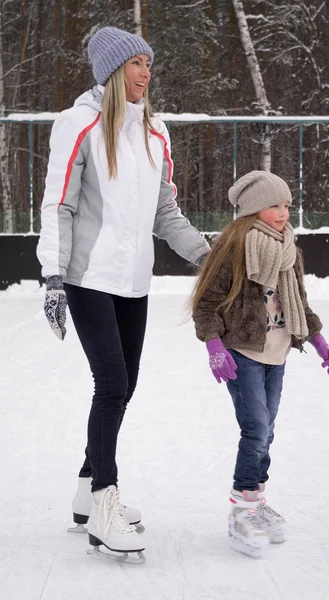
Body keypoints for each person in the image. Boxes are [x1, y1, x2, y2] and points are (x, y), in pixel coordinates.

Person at [37, 26, 209, 558]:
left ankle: (88, 488)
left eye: (148, 64)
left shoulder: (155, 133)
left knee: (125, 385)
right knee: (111, 385)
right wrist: (53, 277)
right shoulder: (78, 125)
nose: (146, 73)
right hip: (88, 277)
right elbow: (58, 203)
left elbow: (165, 212)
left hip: (134, 280)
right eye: (136, 63)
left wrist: (209, 256)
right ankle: (105, 505)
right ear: (113, 71)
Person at [190, 171, 329, 559]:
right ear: (254, 208)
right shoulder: (232, 248)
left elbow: (298, 302)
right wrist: (214, 345)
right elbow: (206, 302)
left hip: (278, 353)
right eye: (275, 205)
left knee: (267, 430)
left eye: (287, 205)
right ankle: (242, 509)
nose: (283, 212)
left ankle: (256, 499)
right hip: (243, 353)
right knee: (255, 428)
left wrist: (317, 339)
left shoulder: (289, 249)